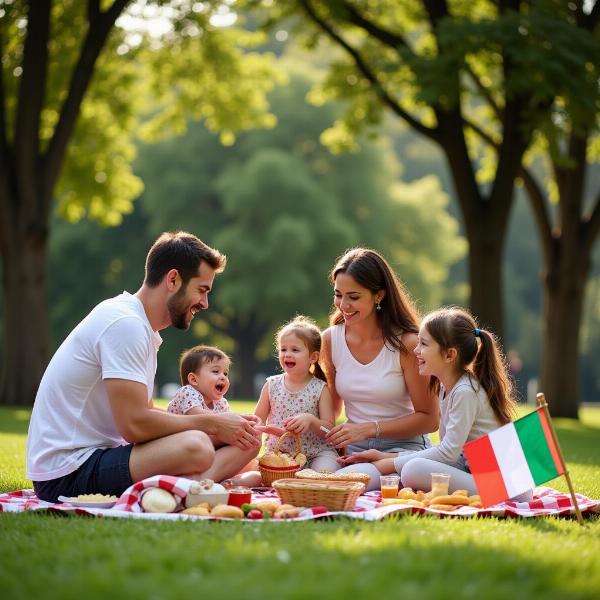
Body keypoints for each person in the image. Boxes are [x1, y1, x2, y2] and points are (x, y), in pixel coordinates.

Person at [26, 231, 261, 502]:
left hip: (101, 457)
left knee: (247, 440)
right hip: (66, 472)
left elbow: (146, 412)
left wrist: (224, 427)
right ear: (173, 279)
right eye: (202, 290)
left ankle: (189, 486)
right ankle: (192, 488)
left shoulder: (141, 327)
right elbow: (135, 425)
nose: (205, 304)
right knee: (197, 446)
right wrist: (212, 424)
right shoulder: (125, 324)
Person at [339, 307, 526, 498]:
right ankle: (354, 480)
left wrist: (389, 462)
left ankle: (374, 475)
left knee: (413, 470)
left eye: (424, 344)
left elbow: (447, 454)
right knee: (412, 466)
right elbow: (449, 451)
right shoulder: (447, 386)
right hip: (473, 468)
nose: (415, 350)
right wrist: (387, 457)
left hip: (508, 484)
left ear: (449, 355)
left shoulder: (465, 391)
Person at [320, 247, 438, 460]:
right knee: (317, 475)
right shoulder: (330, 340)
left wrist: (368, 429)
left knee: (361, 477)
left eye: (353, 297)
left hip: (403, 449)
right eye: (338, 295)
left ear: (379, 296)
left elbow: (430, 419)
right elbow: (331, 409)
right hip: (353, 448)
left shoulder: (408, 344)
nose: (343, 305)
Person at [254, 316, 339, 471]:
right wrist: (263, 431)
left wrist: (312, 421)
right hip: (280, 454)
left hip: (316, 454)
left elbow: (329, 431)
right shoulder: (271, 385)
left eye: (295, 350)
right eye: (283, 349)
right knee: (260, 477)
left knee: (325, 473)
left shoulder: (320, 389)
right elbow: (257, 421)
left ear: (313, 357)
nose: (287, 354)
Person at [167, 344, 260, 484]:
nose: (223, 377)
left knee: (252, 446)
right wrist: (233, 423)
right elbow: (199, 417)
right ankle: (205, 481)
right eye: (216, 371)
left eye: (225, 373)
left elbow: (230, 428)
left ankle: (221, 481)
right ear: (194, 379)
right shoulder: (187, 392)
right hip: (182, 451)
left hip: (208, 452)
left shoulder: (221, 403)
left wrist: (247, 424)